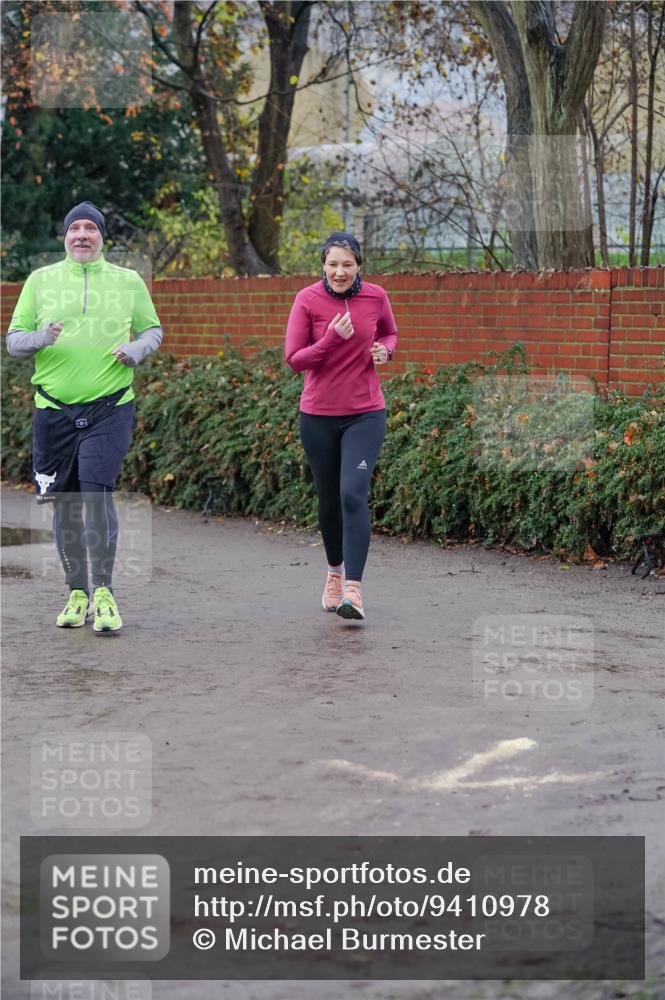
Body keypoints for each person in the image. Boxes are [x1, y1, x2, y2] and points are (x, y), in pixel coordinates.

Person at [6, 201, 163, 634]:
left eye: (90, 228)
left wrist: (136, 350)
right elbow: (14, 342)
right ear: (65, 237)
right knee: (66, 502)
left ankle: (105, 593)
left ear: (101, 237)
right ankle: (77, 593)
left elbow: (153, 330)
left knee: (96, 493)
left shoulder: (128, 281)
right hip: (54, 408)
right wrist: (42, 337)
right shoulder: (40, 280)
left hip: (109, 406)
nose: (81, 235)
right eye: (74, 228)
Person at [284, 231, 398, 621]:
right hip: (318, 416)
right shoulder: (307, 299)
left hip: (365, 413)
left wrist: (386, 350)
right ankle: (334, 574)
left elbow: (390, 332)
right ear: (323, 265)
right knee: (330, 499)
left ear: (359, 266)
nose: (339, 271)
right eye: (333, 264)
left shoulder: (376, 297)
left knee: (352, 494)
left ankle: (353, 590)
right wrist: (331, 339)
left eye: (347, 264)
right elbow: (294, 359)